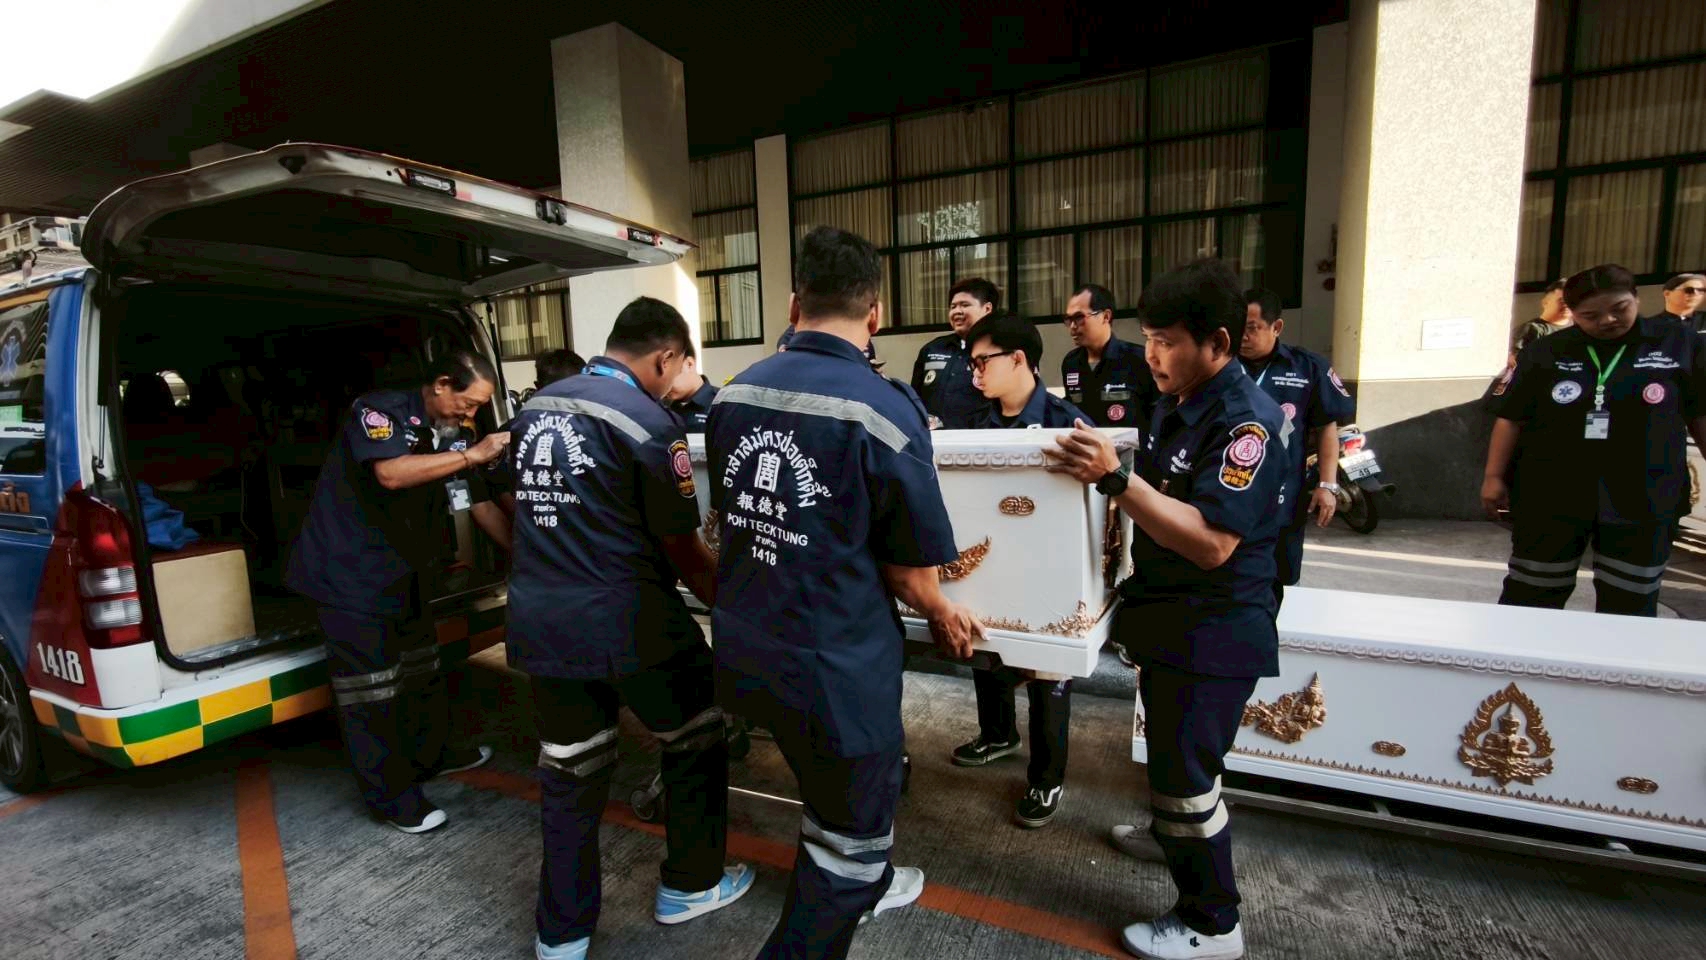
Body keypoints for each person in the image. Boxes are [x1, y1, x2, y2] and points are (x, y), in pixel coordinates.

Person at [708, 226, 983, 960]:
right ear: (876, 313)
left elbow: (733, 520)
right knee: (853, 843)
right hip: (833, 668)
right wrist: (944, 609)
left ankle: (866, 875)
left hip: (745, 646)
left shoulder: (735, 393)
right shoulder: (884, 410)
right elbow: (910, 572)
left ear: (794, 303)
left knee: (822, 793)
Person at [507, 297, 754, 960]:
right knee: (698, 732)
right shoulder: (647, 421)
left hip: (542, 621)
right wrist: (736, 611)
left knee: (570, 770)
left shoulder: (534, 409)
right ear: (665, 356)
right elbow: (682, 548)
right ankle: (691, 884)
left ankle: (561, 934)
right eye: (675, 370)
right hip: (627, 619)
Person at [1053, 258, 1286, 960]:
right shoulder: (1180, 400)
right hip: (1172, 619)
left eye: (1167, 341)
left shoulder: (1245, 425)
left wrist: (1114, 480)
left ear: (1218, 342)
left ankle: (1212, 922)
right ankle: (1170, 837)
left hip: (1213, 628)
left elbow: (1213, 542)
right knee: (1173, 759)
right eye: (1148, 338)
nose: (1151, 355)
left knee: (1186, 777)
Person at [285, 351, 512, 833]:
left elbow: (475, 501)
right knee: (371, 690)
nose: (471, 414)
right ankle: (390, 797)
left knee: (422, 669)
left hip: (401, 570)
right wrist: (471, 454)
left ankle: (431, 756)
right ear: (442, 384)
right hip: (349, 574)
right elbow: (389, 473)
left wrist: (524, 556)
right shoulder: (379, 412)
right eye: (468, 403)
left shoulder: (454, 433)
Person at [1482, 264, 1706, 617]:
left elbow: (1700, 414)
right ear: (1573, 313)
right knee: (1532, 595)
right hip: (1552, 493)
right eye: (1591, 315)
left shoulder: (1681, 344)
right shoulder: (1547, 350)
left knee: (1630, 600)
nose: (1608, 320)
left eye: (1619, 308)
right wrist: (1494, 476)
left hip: (1644, 495)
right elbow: (1511, 417)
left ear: (1636, 298)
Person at [949, 312, 1085, 828]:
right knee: (986, 650)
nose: (975, 373)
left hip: (1052, 572)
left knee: (1049, 669)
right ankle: (998, 734)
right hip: (991, 561)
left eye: (983, 361)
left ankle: (1047, 777)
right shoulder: (975, 425)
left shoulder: (1067, 423)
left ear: (1019, 359)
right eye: (972, 364)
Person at [1238, 288, 1355, 605]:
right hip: (1232, 492)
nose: (1242, 337)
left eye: (1252, 328)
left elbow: (1326, 427)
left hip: (1285, 498)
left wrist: (1327, 485)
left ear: (1276, 327)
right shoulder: (1221, 365)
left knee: (1284, 582)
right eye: (1237, 327)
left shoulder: (1307, 367)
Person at [1060, 283, 1159, 433]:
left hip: (1128, 447)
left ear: (1105, 316)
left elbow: (1158, 415)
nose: (1073, 326)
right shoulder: (1071, 363)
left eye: (1079, 317)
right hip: (1085, 446)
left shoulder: (1139, 360)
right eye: (1068, 319)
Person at [911, 277, 999, 428]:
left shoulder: (1001, 352)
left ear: (987, 309)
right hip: (932, 439)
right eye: (953, 306)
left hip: (981, 440)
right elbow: (915, 399)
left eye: (965, 305)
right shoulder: (932, 349)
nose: (957, 311)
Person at [1511, 280, 1574, 362]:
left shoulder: (1579, 328)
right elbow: (1514, 359)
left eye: (1571, 301)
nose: (1567, 305)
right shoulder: (1532, 329)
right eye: (1562, 301)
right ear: (1545, 302)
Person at [666, 348, 719, 432]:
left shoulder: (721, 403)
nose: (664, 384)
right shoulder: (659, 407)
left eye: (668, 375)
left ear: (689, 364)